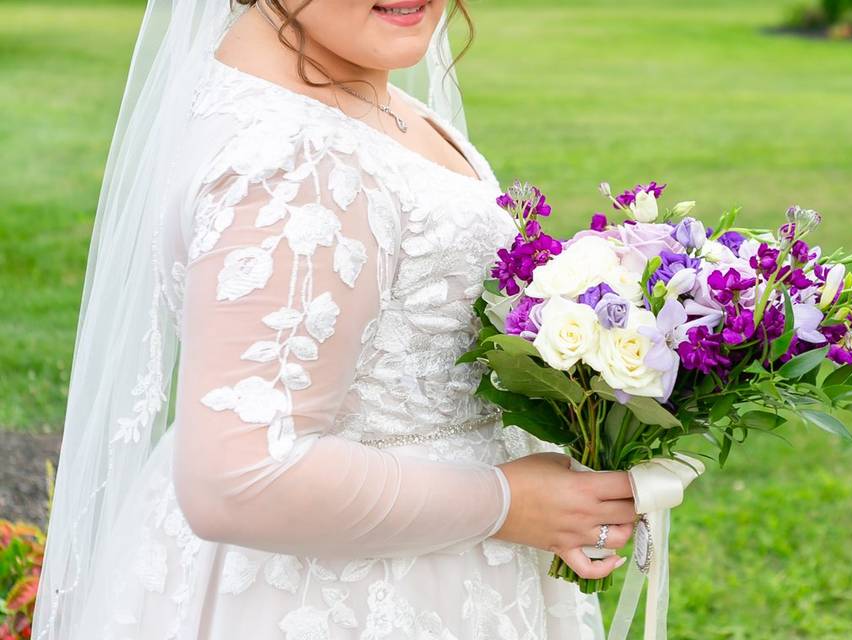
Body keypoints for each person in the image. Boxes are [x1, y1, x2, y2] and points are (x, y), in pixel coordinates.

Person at [33, 1, 642, 638]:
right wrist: (508, 503)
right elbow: (240, 478)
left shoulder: (346, 87)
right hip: (337, 597)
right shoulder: (292, 162)